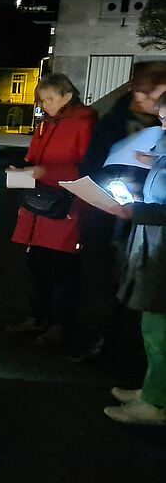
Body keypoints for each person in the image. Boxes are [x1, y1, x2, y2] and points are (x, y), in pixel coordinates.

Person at [72, 62, 166, 362]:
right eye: (139, 92)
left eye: (150, 93)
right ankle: (103, 341)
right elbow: (94, 158)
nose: (144, 99)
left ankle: (133, 355)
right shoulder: (117, 117)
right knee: (103, 281)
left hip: (147, 222)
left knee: (145, 294)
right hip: (109, 216)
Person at [6, 74, 96, 345]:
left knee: (63, 268)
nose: (45, 105)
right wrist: (23, 169)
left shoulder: (84, 123)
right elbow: (34, 157)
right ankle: (38, 317)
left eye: (50, 99)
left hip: (65, 205)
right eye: (42, 100)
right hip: (40, 203)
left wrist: (45, 172)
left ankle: (61, 323)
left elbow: (88, 167)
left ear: (68, 95)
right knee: (37, 265)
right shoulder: (47, 123)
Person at [102, 92, 166, 425]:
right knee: (152, 324)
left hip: (161, 250)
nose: (162, 126)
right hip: (154, 245)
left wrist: (136, 209)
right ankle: (152, 390)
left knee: (159, 329)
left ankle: (156, 404)